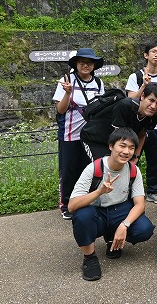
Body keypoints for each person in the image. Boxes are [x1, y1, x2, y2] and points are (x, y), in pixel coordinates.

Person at [68, 128, 155, 281]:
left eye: (131, 147)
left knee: (144, 229)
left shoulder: (133, 170)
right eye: (122, 146)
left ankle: (112, 238)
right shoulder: (94, 168)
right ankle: (90, 258)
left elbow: (140, 204)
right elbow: (72, 206)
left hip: (119, 210)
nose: (126, 151)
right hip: (97, 211)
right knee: (82, 216)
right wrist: (99, 191)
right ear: (110, 146)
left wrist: (124, 225)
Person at [53, 47, 105, 220]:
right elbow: (60, 109)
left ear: (94, 65)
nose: (85, 65)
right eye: (82, 62)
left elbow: (101, 108)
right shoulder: (67, 80)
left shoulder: (98, 83)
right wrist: (68, 93)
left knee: (88, 170)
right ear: (76, 64)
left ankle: (83, 201)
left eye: (89, 63)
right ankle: (66, 204)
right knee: (68, 170)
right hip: (69, 134)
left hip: (90, 136)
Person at [125, 41, 157, 203]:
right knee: (131, 158)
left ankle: (153, 190)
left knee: (155, 159)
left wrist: (150, 104)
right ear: (146, 55)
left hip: (156, 126)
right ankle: (130, 190)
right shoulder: (136, 76)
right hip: (136, 126)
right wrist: (144, 86)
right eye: (153, 51)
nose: (156, 55)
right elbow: (130, 99)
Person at [81, 83, 157, 161]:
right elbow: (118, 138)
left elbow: (142, 134)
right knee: (101, 169)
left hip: (115, 142)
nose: (153, 106)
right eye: (151, 100)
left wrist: (135, 157)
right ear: (143, 96)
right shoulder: (125, 106)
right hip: (93, 138)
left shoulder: (155, 114)